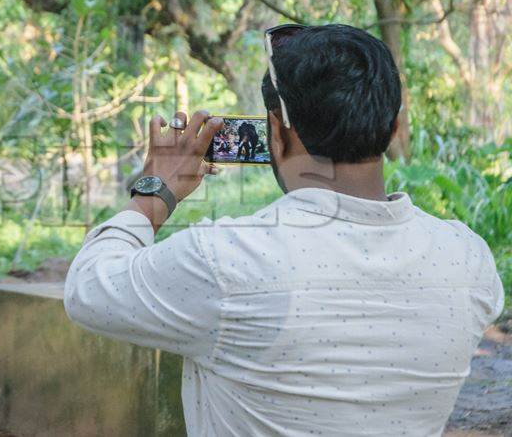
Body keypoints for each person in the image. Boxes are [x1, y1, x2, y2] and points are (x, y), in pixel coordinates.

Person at [64, 24, 504, 436]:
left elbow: (88, 291)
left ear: (276, 132)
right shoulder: (470, 262)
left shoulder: (223, 261)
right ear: (392, 127)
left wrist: (154, 190)